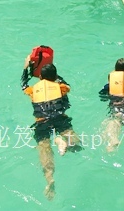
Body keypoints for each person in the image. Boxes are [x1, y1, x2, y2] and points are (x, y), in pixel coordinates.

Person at [21, 61, 81, 200]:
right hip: (61, 120)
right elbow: (67, 85)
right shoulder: (61, 88)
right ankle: (61, 139)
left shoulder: (32, 90)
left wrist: (26, 68)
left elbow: (23, 84)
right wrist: (55, 75)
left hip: (42, 123)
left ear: (40, 77)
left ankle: (49, 179)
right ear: (55, 78)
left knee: (44, 151)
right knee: (77, 146)